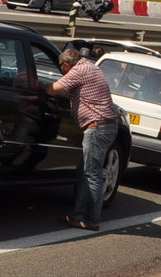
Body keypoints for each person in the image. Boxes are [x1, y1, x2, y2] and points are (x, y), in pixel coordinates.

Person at [46, 47, 121, 232]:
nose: (61, 70)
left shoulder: (78, 70)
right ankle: (77, 216)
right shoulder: (90, 67)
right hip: (106, 126)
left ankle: (92, 220)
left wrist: (39, 86)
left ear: (66, 64)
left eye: (61, 67)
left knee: (92, 175)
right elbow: (73, 92)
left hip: (97, 128)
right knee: (84, 172)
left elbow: (54, 89)